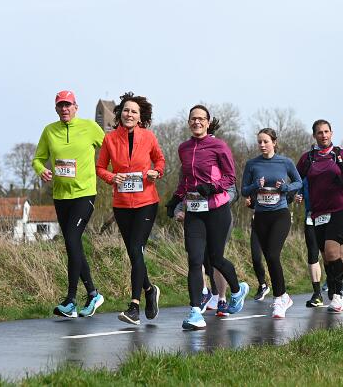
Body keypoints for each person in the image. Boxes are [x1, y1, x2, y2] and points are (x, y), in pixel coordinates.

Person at [165, 105, 249, 330]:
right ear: (188, 122)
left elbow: (230, 178)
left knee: (216, 259)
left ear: (208, 122)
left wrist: (211, 187)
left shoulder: (219, 146)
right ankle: (195, 312)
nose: (197, 122)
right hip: (194, 211)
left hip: (216, 210)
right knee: (194, 260)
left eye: (201, 119)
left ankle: (237, 290)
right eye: (193, 119)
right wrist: (175, 200)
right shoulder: (183, 148)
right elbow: (185, 180)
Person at [32, 90, 105, 318]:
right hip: (61, 197)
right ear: (56, 109)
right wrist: (41, 170)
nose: (64, 109)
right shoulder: (49, 131)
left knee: (72, 240)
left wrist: (110, 172)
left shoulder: (90, 127)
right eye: (60, 105)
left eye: (68, 105)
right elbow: (37, 159)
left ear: (76, 107)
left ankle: (71, 300)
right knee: (73, 245)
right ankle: (93, 294)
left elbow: (110, 148)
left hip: (84, 194)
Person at [96, 92, 164, 325]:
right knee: (134, 254)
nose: (129, 114)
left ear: (140, 116)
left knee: (136, 249)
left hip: (146, 202)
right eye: (126, 110)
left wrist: (156, 172)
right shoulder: (110, 139)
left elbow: (160, 161)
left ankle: (134, 307)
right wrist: (112, 177)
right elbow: (100, 167)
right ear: (120, 113)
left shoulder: (149, 137)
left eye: (134, 111)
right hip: (122, 204)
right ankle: (150, 290)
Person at [297, 119, 343, 313]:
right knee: (326, 256)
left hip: (340, 208)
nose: (323, 135)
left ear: (331, 133)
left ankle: (339, 294)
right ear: (314, 135)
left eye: (326, 131)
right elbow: (297, 179)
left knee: (333, 252)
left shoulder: (341, 155)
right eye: (319, 132)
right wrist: (295, 193)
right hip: (318, 212)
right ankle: (333, 289)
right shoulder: (308, 158)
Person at [241, 128, 302, 318]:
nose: (262, 145)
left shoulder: (285, 162)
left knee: (273, 255)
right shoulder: (252, 164)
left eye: (266, 141)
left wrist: (285, 187)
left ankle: (278, 298)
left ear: (274, 142)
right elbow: (243, 190)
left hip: (280, 214)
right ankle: (283, 296)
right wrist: (255, 186)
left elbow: (299, 182)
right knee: (269, 258)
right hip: (261, 216)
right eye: (259, 142)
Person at [295, 178, 324, 307]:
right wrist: (298, 197)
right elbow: (300, 192)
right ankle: (317, 294)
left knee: (330, 254)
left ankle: (337, 290)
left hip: (330, 215)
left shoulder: (332, 170)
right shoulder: (306, 176)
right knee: (312, 254)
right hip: (311, 216)